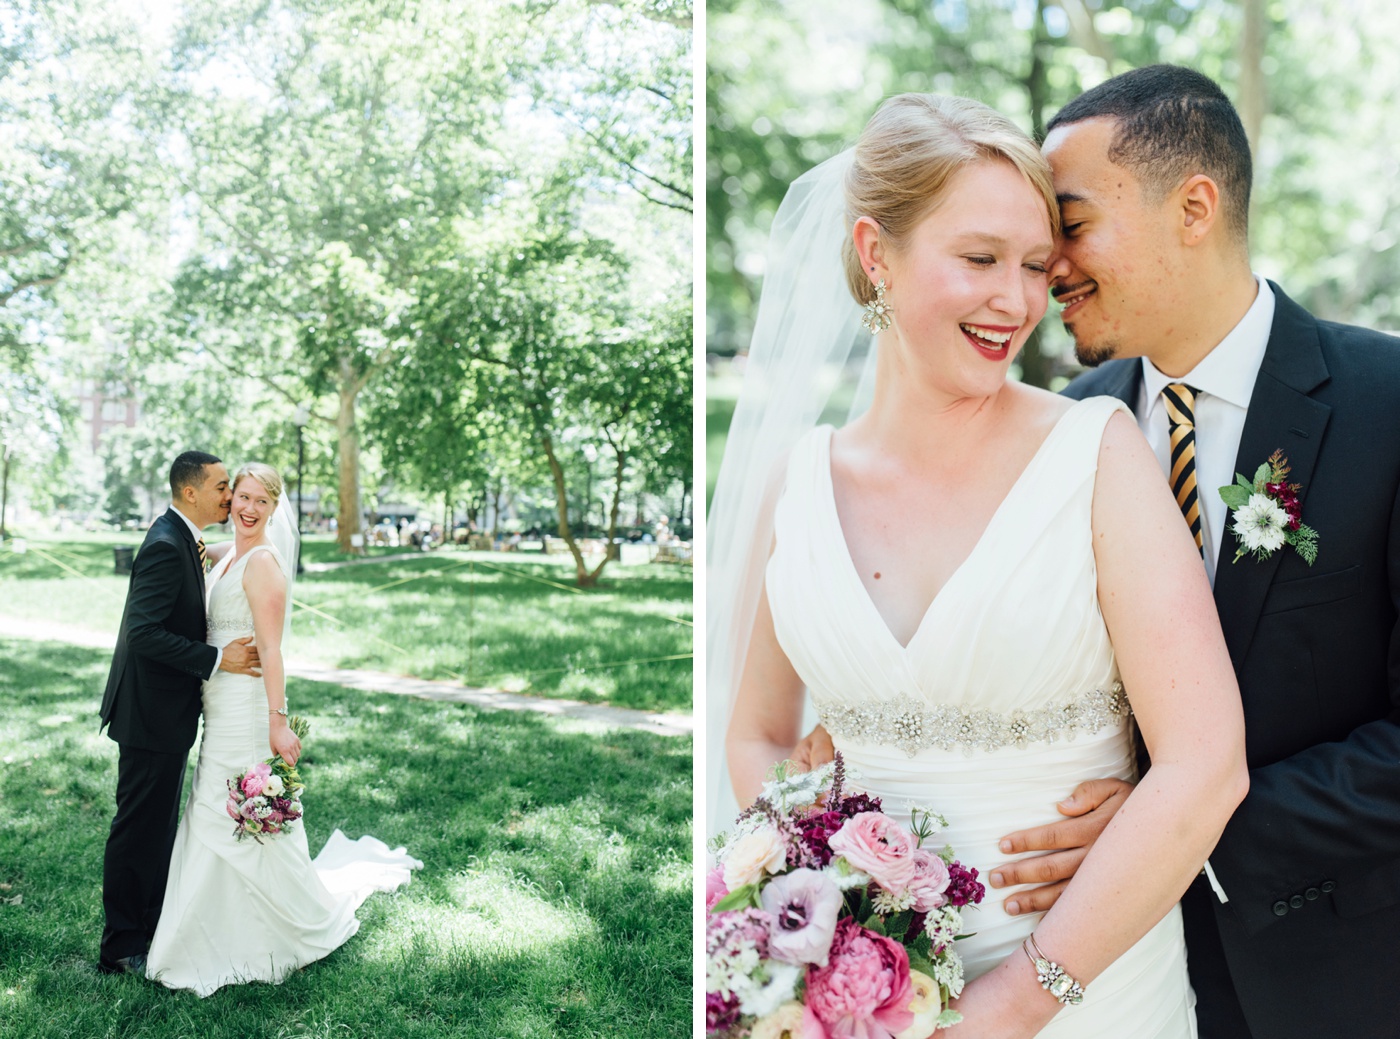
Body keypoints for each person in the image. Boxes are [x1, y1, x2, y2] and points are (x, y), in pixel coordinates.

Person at [792, 66, 1400, 1039]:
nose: (1046, 272)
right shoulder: (1059, 434)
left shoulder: (1386, 402)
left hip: (1329, 976)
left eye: (1065, 228)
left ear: (1192, 207)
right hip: (1073, 955)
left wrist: (1181, 826)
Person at [714, 93, 1248, 1037]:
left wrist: (1015, 1002)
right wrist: (830, 928)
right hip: (868, 1008)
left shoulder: (1098, 449)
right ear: (877, 253)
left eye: (1037, 266)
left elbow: (1206, 765)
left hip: (1096, 995)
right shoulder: (793, 485)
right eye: (979, 259)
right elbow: (756, 736)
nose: (1018, 300)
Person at [144, 462, 421, 995]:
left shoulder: (265, 565)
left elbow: (272, 650)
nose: (247, 509)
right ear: (230, 502)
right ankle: (201, 929)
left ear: (274, 508)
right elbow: (199, 565)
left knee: (237, 811)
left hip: (247, 708)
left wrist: (278, 722)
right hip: (217, 701)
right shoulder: (231, 555)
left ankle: (269, 931)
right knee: (213, 807)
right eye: (240, 497)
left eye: (260, 502)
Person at [98, 451, 262, 975]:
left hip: (164, 713)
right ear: (191, 492)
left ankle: (147, 925)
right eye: (221, 487)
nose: (229, 496)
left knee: (156, 825)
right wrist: (218, 658)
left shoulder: (182, 537)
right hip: (149, 713)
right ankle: (121, 945)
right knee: (139, 827)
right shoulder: (168, 545)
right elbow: (143, 633)